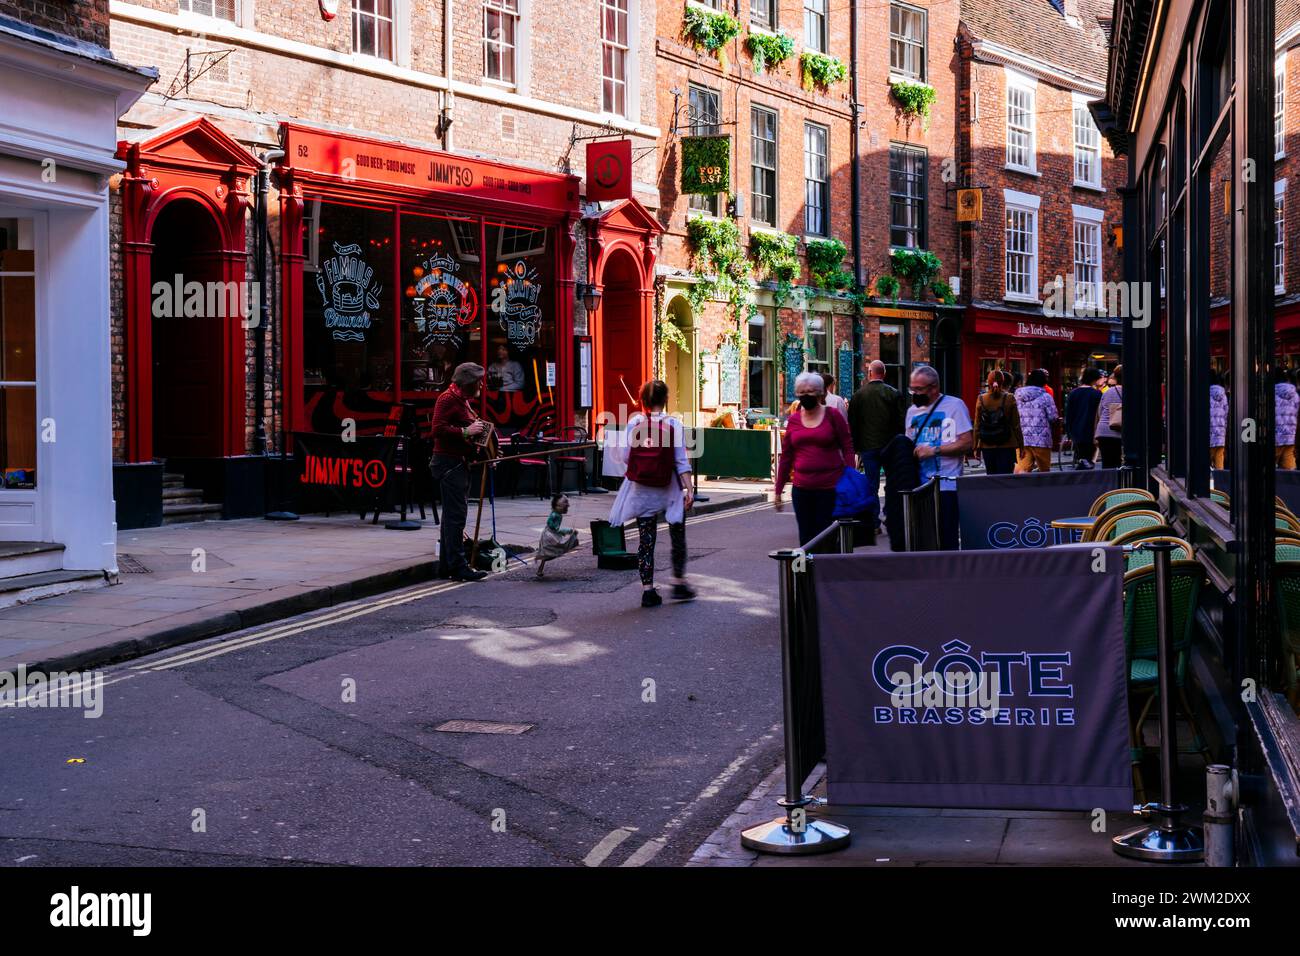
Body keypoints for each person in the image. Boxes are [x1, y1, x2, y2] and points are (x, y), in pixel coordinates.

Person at [608, 379, 695, 608]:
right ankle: (679, 582)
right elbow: (681, 461)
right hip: (669, 489)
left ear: (643, 400)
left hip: (642, 490)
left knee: (646, 541)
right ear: (666, 400)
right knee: (677, 533)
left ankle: (648, 591)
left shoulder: (634, 422)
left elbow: (625, 456)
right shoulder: (673, 424)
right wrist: (689, 489)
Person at [774, 371, 856, 548]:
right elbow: (786, 457)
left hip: (830, 489)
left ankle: (827, 565)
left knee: (827, 538)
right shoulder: (794, 420)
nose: (806, 395)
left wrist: (850, 478)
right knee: (806, 540)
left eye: (810, 391)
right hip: (802, 490)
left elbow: (848, 448)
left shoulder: (833, 415)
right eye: (802, 392)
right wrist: (778, 489)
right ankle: (810, 567)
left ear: (820, 393)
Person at [429, 363, 491, 581]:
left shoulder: (461, 400)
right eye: (479, 381)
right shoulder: (447, 399)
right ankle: (458, 567)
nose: (481, 385)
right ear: (468, 383)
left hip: (458, 463)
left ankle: (447, 566)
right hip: (449, 464)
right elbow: (437, 430)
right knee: (456, 517)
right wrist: (467, 431)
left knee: (451, 517)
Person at [905, 365, 972, 550]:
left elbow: (967, 443)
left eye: (919, 389)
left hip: (947, 485)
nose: (914, 394)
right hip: (918, 487)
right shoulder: (912, 411)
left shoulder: (955, 406)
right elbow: (909, 443)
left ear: (934, 387)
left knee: (946, 538)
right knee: (923, 541)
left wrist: (934, 450)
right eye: (912, 389)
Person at [848, 359, 904, 527]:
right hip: (890, 446)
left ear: (870, 373)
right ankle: (891, 515)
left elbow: (853, 424)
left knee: (871, 484)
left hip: (868, 447)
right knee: (892, 482)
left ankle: (874, 521)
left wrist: (856, 447)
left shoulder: (858, 395)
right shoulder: (894, 394)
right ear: (884, 374)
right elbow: (901, 422)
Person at [973, 369, 1022, 475]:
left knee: (991, 477)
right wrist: (1021, 446)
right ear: (1002, 381)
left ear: (988, 382)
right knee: (1006, 477)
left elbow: (977, 426)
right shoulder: (1010, 398)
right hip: (1007, 444)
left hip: (987, 445)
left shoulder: (981, 399)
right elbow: (1016, 425)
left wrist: (976, 447)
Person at [1014, 368, 1058, 473]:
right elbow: (1053, 417)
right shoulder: (1046, 397)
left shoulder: (1017, 395)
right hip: (1042, 439)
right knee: (1044, 471)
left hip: (1022, 439)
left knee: (1023, 471)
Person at [1065, 367, 1105, 468]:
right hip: (1091, 429)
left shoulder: (1073, 393)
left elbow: (1069, 413)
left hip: (1076, 429)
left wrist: (1069, 431)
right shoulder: (1097, 394)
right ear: (1094, 379)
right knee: (1088, 458)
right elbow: (1100, 413)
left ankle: (1081, 467)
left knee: (1081, 456)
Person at [535, 493, 580, 578]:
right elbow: (553, 526)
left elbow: (556, 528)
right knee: (549, 551)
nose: (568, 505)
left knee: (548, 552)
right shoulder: (555, 515)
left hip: (553, 534)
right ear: (557, 505)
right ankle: (540, 569)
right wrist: (569, 531)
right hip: (549, 535)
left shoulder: (558, 515)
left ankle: (540, 569)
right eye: (565, 502)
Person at [1095, 364, 1124, 468]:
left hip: (1103, 430)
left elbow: (1100, 411)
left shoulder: (1108, 392)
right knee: (1117, 463)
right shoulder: (1131, 391)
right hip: (1116, 431)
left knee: (1107, 463)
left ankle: (1107, 478)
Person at [1278, 367, 1299, 470]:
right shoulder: (1295, 394)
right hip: (1291, 438)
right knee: (1289, 471)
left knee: (1267, 472)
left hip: (1275, 438)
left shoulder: (1270, 393)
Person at [1209, 370, 1228, 470]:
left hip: (1209, 434)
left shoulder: (1205, 393)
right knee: (1219, 460)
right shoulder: (1223, 394)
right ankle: (1220, 479)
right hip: (1220, 434)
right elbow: (1226, 413)